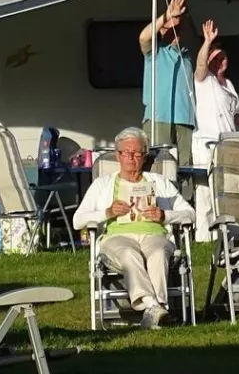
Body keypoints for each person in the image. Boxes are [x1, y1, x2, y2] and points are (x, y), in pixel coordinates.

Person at [73, 127, 193, 329]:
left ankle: (154, 311)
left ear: (145, 156)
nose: (131, 158)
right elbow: (78, 220)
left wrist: (165, 215)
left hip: (155, 234)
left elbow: (190, 214)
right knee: (129, 253)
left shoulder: (160, 182)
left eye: (137, 153)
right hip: (117, 237)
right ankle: (154, 305)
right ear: (118, 156)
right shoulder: (103, 184)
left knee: (157, 252)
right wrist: (107, 212)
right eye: (126, 153)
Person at [192, 18, 239, 237]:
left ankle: (228, 234)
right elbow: (200, 65)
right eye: (215, 59)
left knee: (228, 189)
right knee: (206, 191)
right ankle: (204, 235)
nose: (219, 62)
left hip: (229, 142)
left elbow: (235, 116)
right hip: (206, 142)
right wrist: (208, 41)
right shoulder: (203, 79)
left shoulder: (229, 84)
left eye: (222, 58)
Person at [139, 0, 196, 166]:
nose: (175, 31)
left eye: (179, 27)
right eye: (171, 27)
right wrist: (165, 16)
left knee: (185, 167)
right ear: (162, 29)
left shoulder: (187, 56)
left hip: (184, 119)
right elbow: (143, 37)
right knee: (159, 166)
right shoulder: (155, 52)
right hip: (158, 117)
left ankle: (186, 195)